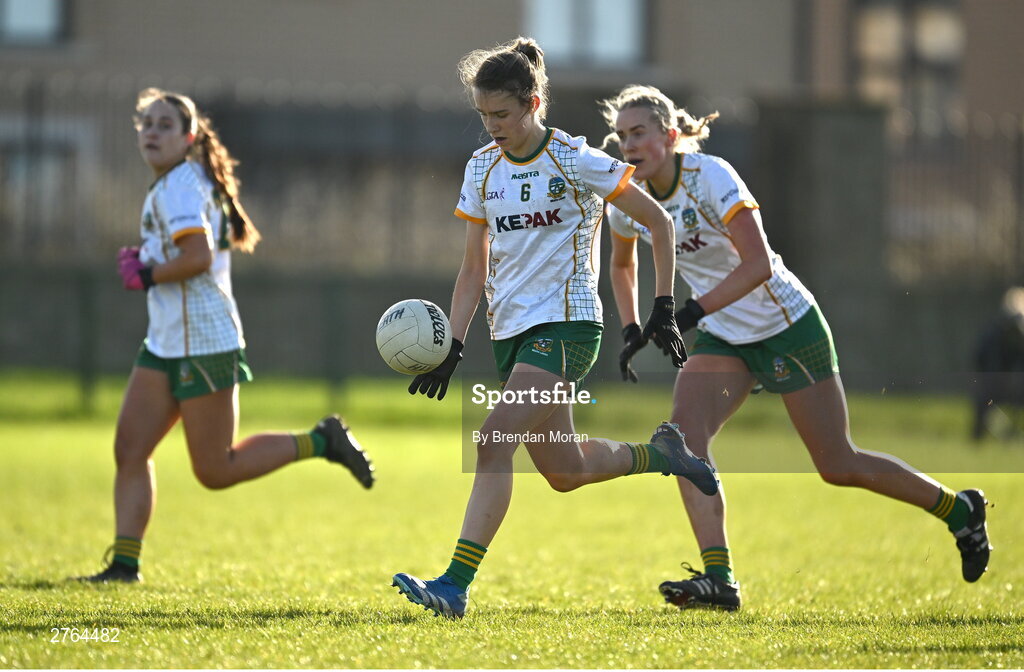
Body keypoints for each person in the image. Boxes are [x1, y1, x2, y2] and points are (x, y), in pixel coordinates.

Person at [600, 84, 993, 610]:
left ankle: (959, 510)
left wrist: (689, 312)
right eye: (622, 135)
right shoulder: (628, 200)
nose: (628, 145)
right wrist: (630, 328)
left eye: (640, 133)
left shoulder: (711, 176)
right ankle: (720, 580)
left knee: (838, 463)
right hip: (725, 334)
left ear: (670, 137)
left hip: (786, 322)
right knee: (683, 442)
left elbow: (759, 264)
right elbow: (622, 265)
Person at [391, 39, 718, 620]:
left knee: (492, 440)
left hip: (567, 326)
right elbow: (472, 267)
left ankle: (453, 585)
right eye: (483, 115)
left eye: (502, 115)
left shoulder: (574, 158)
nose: (492, 127)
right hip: (511, 333)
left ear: (533, 103)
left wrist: (664, 307)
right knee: (566, 472)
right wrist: (453, 345)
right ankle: (663, 453)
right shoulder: (481, 167)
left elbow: (659, 222)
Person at [74, 89, 374, 583]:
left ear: (189, 137)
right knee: (130, 449)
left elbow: (198, 259)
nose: (152, 131)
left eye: (165, 124)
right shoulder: (177, 182)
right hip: (167, 339)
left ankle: (322, 441)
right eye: (146, 122)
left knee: (215, 469)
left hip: (204, 341)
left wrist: (147, 275)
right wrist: (149, 260)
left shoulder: (179, 187)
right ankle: (124, 566)